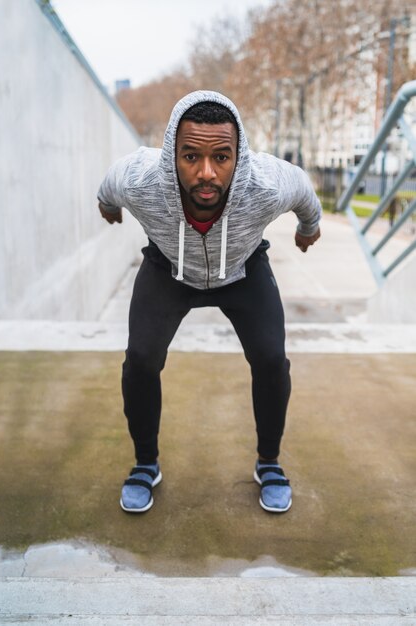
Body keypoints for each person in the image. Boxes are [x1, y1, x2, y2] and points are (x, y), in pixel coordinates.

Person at [98, 90, 321, 514]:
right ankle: (145, 465)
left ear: (239, 155)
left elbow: (306, 195)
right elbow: (108, 188)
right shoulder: (140, 180)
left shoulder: (268, 184)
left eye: (222, 157)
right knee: (141, 358)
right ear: (171, 155)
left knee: (272, 359)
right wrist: (109, 207)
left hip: (241, 271)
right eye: (190, 157)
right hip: (169, 270)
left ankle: (269, 464)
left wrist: (309, 227)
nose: (206, 173)